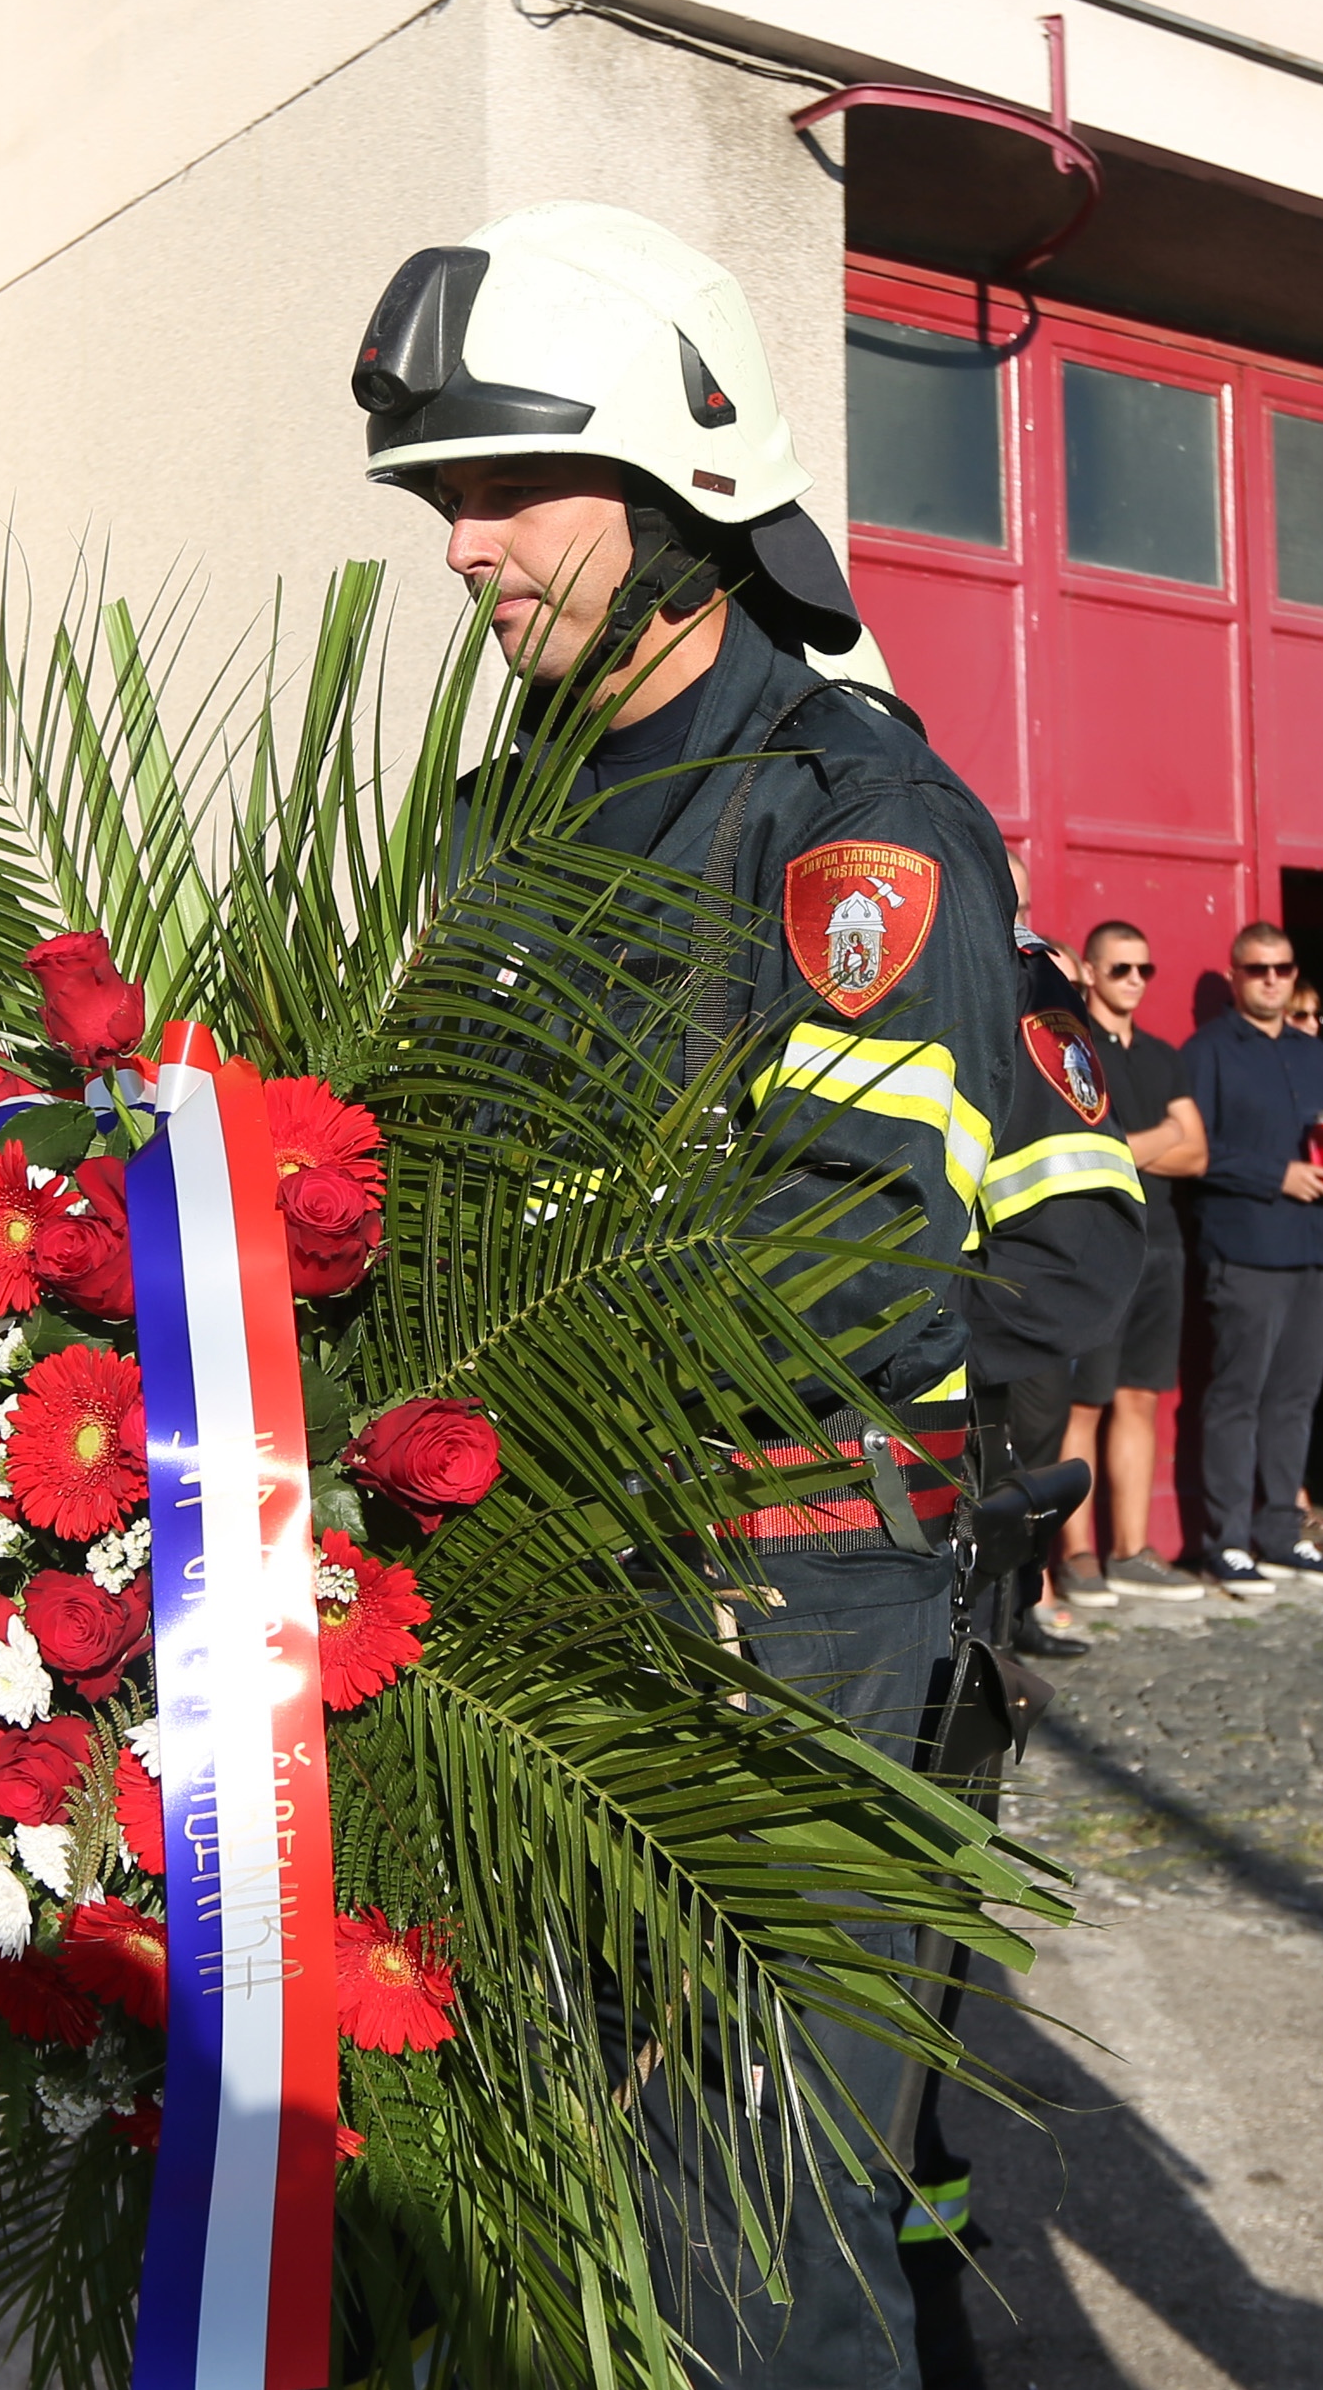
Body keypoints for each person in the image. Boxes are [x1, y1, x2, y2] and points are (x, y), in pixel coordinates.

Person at [357, 199, 1018, 2390]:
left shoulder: (847, 812)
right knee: (540, 2190)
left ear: (683, 486)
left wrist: (494, 1362)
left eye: (511, 487)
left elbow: (851, 1246)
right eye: (443, 496)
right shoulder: (491, 827)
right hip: (526, 1584)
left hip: (787, 1606)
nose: (464, 547)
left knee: (755, 2226)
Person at [973, 852, 1147, 1661]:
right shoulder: (978, 962)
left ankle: (1017, 1612)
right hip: (977, 1271)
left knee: (1031, 1458)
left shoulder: (1033, 976)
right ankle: (986, 1619)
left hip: (1024, 1271)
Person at [1185, 921, 1323, 1596]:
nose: (1271, 979)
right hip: (1249, 1246)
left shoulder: (1315, 1054)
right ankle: (1226, 1541)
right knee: (1238, 1396)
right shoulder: (1206, 1052)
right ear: (1235, 975)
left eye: (1282, 968)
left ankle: (1283, 1530)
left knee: (1296, 1398)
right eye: (1257, 968)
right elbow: (1196, 1150)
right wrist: (1275, 1176)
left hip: (1320, 1245)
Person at [1058, 919, 1208, 1608]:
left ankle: (1132, 1548)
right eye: (1121, 969)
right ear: (1089, 972)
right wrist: (1157, 1139)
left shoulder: (1164, 1054)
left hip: (1163, 1241)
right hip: (1099, 1245)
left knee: (1141, 1397)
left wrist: (1130, 1144)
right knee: (1084, 1402)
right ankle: (1078, 1552)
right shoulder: (1071, 1045)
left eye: (1145, 969)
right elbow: (1093, 1147)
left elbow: (1197, 1153)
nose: (1135, 982)